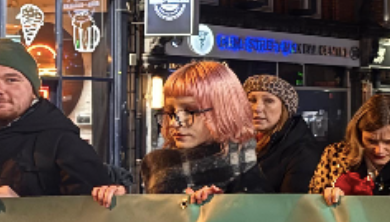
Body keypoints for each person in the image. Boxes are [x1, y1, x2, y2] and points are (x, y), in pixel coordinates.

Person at [92, 61, 265, 206]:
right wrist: (119, 201)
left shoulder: (255, 166)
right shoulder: (157, 165)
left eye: (190, 111)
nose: (176, 122)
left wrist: (221, 210)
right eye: (171, 111)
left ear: (225, 110)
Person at [0, 39, 113, 210]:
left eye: (11, 80)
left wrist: (19, 209)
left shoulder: (64, 145)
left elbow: (93, 221)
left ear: (34, 91)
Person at [312, 94, 390, 201]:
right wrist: (326, 198)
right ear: (358, 135)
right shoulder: (334, 155)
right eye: (371, 141)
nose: (379, 150)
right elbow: (313, 209)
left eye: (388, 142)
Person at [242, 74, 325, 194]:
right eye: (252, 100)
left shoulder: (302, 151)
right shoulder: (240, 143)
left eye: (268, 100)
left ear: (285, 109)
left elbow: (291, 205)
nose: (257, 108)